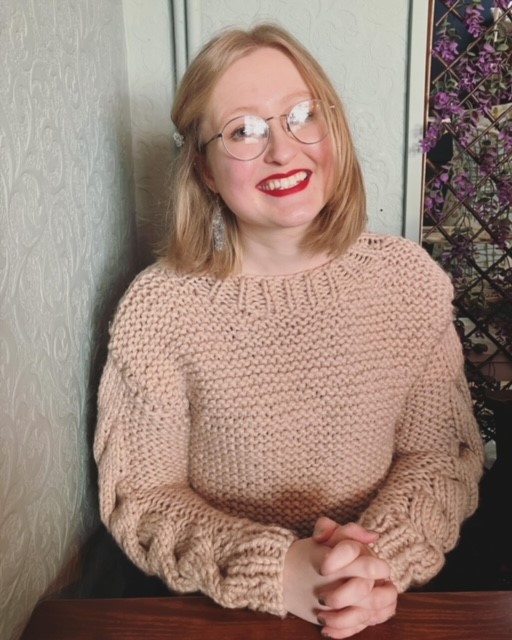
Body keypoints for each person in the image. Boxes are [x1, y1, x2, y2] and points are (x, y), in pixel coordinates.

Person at [94, 23, 484, 639]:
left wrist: (369, 563)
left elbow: (438, 455)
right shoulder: (159, 309)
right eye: (243, 130)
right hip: (220, 616)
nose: (282, 150)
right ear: (204, 169)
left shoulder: (408, 282)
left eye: (303, 116)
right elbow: (143, 493)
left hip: (381, 608)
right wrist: (278, 570)